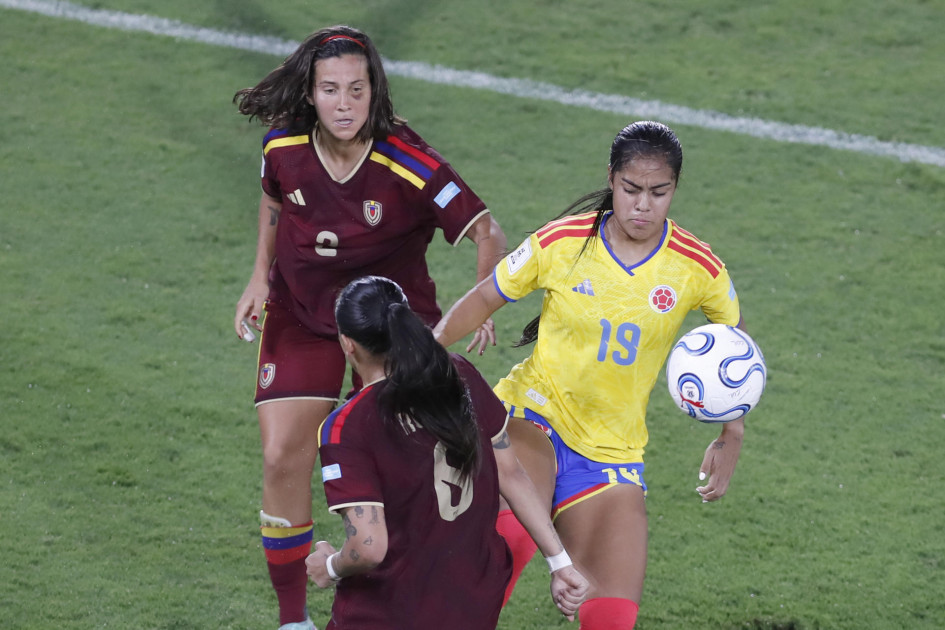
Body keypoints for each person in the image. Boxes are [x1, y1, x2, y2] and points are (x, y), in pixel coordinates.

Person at [231, 25, 506, 630]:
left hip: (390, 326)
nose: (345, 104)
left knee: (411, 466)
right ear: (310, 94)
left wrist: (483, 301)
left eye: (357, 89)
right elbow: (274, 200)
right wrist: (258, 276)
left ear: (374, 90)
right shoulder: (283, 146)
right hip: (303, 313)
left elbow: (487, 229)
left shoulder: (408, 161)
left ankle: (410, 597)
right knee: (281, 457)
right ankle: (293, 620)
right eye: (330, 89)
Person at [434, 121, 748, 629]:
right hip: (532, 418)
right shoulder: (562, 241)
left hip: (611, 452)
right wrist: (423, 353)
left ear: (675, 189)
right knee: (504, 548)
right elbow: (487, 295)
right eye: (631, 189)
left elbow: (736, 349)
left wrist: (732, 430)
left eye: (658, 192)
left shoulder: (697, 267)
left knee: (613, 617)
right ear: (611, 179)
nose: (642, 205)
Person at [304, 276, 588, 628]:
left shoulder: (347, 425)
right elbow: (512, 474)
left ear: (348, 344)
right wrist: (559, 563)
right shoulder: (458, 374)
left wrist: (329, 566)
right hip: (473, 603)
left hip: (391, 612)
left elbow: (368, 545)